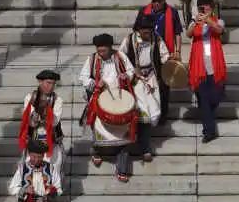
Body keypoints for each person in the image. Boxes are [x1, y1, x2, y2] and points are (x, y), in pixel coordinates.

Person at [79, 33, 138, 182]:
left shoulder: (120, 56)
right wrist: (94, 84)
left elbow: (131, 71)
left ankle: (122, 169)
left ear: (110, 48)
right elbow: (83, 77)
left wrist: (126, 76)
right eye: (99, 50)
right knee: (96, 127)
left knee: (124, 138)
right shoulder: (92, 59)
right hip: (100, 99)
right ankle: (96, 151)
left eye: (103, 50)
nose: (101, 53)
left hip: (120, 100)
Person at [121, 15, 170, 162]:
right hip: (135, 81)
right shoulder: (129, 40)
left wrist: (170, 62)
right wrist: (132, 71)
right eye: (145, 31)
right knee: (140, 113)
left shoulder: (157, 39)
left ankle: (143, 145)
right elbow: (121, 57)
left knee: (152, 113)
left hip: (151, 79)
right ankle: (143, 148)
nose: (148, 34)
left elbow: (164, 56)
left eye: (150, 31)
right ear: (138, 30)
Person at [136, 0, 183, 123]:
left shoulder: (172, 12)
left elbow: (177, 33)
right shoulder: (143, 11)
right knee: (146, 85)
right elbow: (136, 31)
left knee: (163, 85)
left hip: (164, 53)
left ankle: (163, 115)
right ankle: (148, 113)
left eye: (159, 0)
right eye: (154, 0)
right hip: (146, 53)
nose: (156, 3)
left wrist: (177, 51)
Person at [186, 0, 226, 143]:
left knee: (215, 97)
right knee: (203, 99)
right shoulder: (195, 21)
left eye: (206, 6)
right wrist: (196, 21)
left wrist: (208, 20)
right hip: (199, 66)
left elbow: (219, 30)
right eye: (201, 6)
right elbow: (189, 34)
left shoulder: (217, 20)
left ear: (211, 7)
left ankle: (208, 115)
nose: (203, 9)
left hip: (214, 65)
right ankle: (209, 131)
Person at [18, 70, 65, 176]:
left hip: (51, 142)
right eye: (48, 83)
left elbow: (54, 122)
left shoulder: (57, 100)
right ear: (40, 82)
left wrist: (44, 113)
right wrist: (36, 115)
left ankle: (53, 191)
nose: (51, 86)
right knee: (31, 171)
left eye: (53, 83)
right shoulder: (29, 98)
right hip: (34, 142)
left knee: (52, 171)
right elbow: (29, 121)